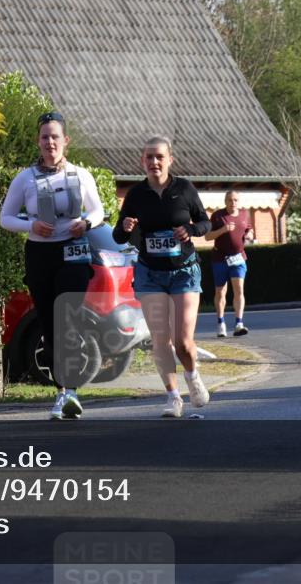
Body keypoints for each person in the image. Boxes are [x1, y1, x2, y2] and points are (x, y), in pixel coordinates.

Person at [0, 111, 105, 419]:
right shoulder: (25, 178)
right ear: (38, 142)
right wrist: (30, 226)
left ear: (65, 141)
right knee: (50, 323)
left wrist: (85, 223)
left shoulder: (81, 175)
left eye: (55, 137)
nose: (50, 142)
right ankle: (62, 393)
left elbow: (98, 211)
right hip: (41, 255)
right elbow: (5, 218)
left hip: (73, 253)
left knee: (66, 317)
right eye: (44, 137)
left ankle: (69, 390)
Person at [112, 136, 212, 418]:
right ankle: (172, 397)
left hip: (183, 272)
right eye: (149, 157)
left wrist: (191, 230)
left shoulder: (184, 189)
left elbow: (205, 222)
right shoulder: (136, 195)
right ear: (142, 161)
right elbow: (118, 235)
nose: (154, 162)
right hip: (150, 273)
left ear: (170, 160)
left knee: (182, 341)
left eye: (159, 157)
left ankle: (192, 377)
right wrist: (125, 224)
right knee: (160, 339)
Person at [204, 190, 254, 337]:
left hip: (238, 258)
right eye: (230, 200)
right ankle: (221, 323)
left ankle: (239, 323)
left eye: (236, 200)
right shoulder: (218, 216)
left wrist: (250, 234)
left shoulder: (244, 213)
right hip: (220, 258)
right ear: (225, 201)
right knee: (220, 291)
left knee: (239, 289)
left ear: (239, 201)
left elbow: (248, 229)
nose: (233, 203)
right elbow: (208, 237)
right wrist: (223, 230)